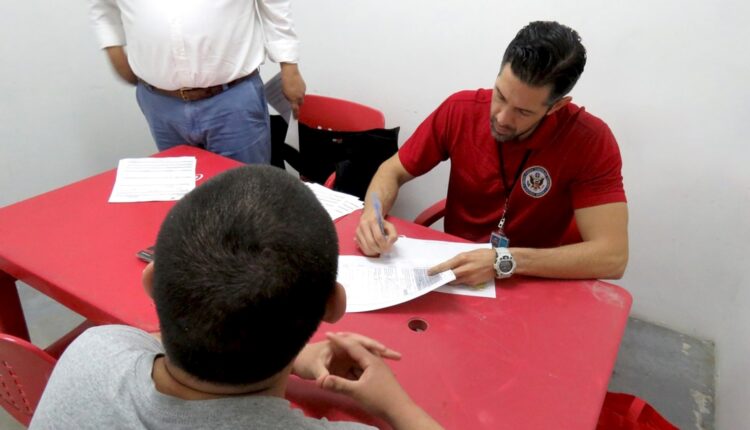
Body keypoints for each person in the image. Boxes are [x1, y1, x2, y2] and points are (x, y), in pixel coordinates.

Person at [30, 166, 442, 430]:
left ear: (152, 282)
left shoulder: (92, 349)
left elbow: (168, 335)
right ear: (334, 306)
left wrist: (298, 357)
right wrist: (395, 407)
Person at [356, 21, 628, 286]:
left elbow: (613, 258)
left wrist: (503, 261)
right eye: (500, 95)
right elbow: (391, 171)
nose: (501, 118)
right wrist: (373, 214)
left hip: (533, 279)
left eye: (523, 111)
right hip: (458, 271)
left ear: (556, 107)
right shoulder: (460, 109)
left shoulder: (590, 141)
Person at [89, 0, 307, 164]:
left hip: (232, 99)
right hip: (161, 104)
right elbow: (103, 9)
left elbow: (275, 6)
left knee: (246, 197)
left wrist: (289, 65)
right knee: (185, 198)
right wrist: (113, 48)